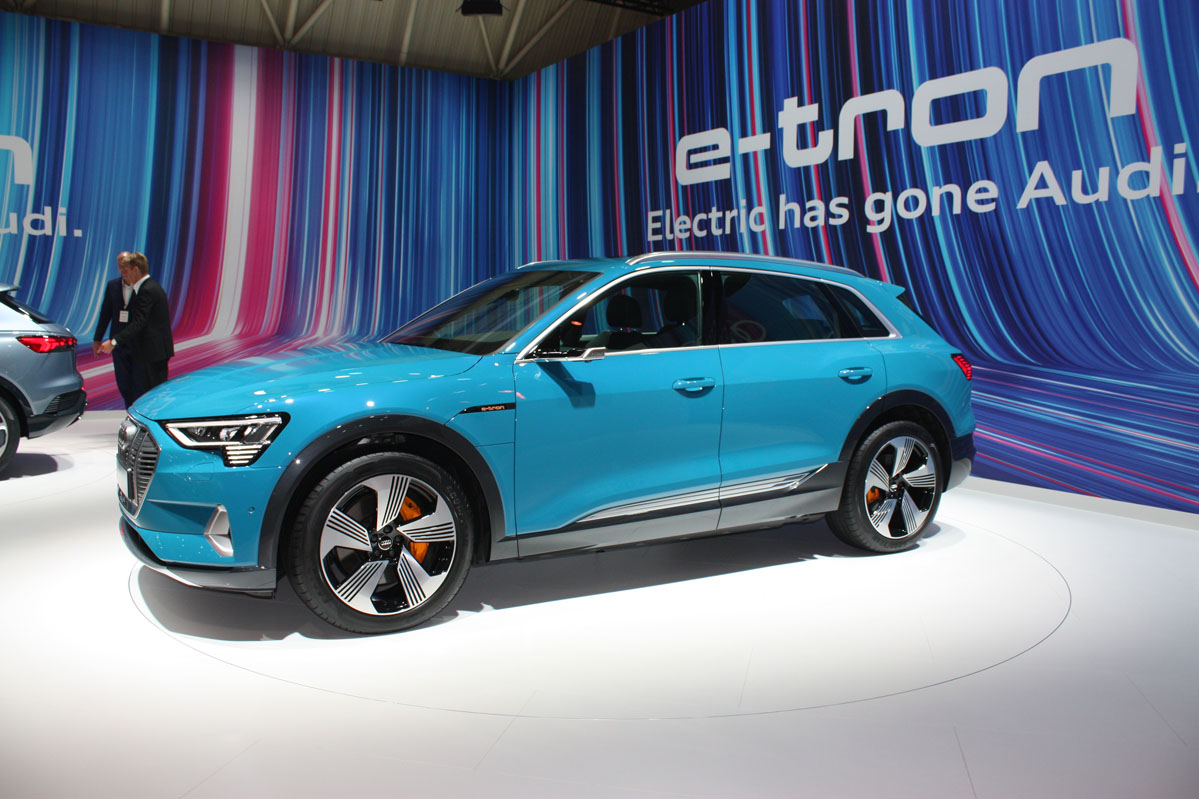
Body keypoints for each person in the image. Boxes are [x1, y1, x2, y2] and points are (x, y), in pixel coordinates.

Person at [98, 252, 174, 400]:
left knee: (151, 397)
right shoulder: (150, 287)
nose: (124, 274)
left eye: (126, 270)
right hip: (152, 352)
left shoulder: (147, 290)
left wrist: (114, 342)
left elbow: (139, 322)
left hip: (152, 353)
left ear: (136, 270)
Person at [92, 252, 142, 406]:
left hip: (139, 342)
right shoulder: (112, 285)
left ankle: (138, 412)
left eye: (125, 265)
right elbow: (105, 313)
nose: (123, 269)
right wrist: (97, 339)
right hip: (117, 342)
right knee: (123, 382)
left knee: (139, 383)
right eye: (120, 265)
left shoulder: (142, 286)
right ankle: (129, 410)